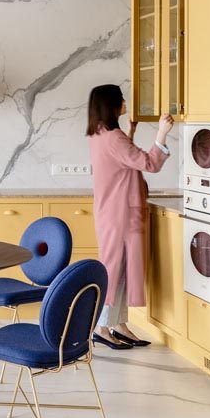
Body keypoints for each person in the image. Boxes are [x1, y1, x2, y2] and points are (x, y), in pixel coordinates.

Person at [87, 84, 174, 348]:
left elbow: (122, 157)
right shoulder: (114, 138)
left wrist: (131, 131)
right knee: (116, 271)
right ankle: (101, 327)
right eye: (121, 99)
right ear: (111, 105)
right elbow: (150, 163)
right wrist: (162, 132)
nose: (125, 102)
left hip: (112, 212)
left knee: (122, 269)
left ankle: (119, 323)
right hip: (121, 214)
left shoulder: (99, 134)